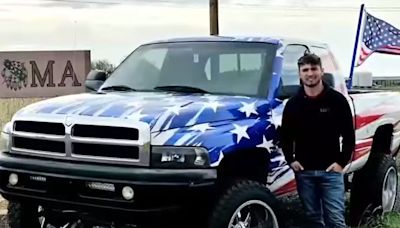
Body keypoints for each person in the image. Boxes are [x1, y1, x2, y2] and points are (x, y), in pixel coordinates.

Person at [281, 53, 355, 228]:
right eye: (305, 70)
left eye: (314, 69)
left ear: (322, 71)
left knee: (336, 220)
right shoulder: (293, 104)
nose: (310, 73)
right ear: (300, 74)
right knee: (313, 220)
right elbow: (285, 136)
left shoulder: (337, 101)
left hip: (331, 172)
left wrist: (341, 163)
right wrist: (290, 160)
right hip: (304, 173)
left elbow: (349, 136)